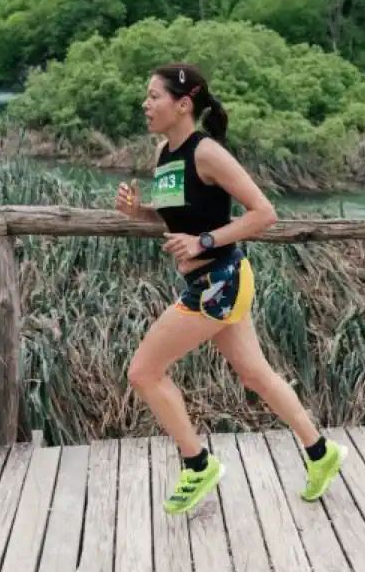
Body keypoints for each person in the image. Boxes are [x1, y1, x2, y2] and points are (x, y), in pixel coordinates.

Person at [115, 62, 346, 515]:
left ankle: (197, 465)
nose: (145, 104)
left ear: (183, 104)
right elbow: (174, 218)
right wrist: (138, 212)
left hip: (219, 283)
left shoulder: (207, 153)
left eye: (153, 96)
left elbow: (264, 213)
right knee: (255, 374)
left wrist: (204, 241)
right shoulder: (164, 152)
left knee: (143, 372)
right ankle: (321, 452)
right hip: (210, 281)